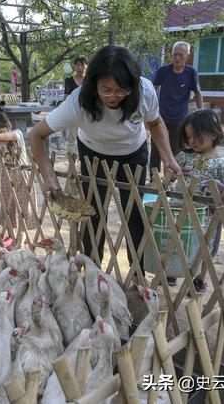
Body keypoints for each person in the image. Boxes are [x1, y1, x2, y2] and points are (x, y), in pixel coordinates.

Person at [29, 45, 181, 273]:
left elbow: (155, 123)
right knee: (93, 212)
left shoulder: (145, 91)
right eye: (106, 90)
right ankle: (92, 271)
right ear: (94, 83)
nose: (113, 97)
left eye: (121, 90)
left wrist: (168, 157)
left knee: (136, 213)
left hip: (133, 152)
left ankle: (137, 273)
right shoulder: (78, 101)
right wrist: (48, 176)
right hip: (93, 153)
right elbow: (36, 135)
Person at [175, 109, 224, 293]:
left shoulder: (220, 163)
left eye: (197, 136)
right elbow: (171, 171)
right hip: (179, 210)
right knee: (178, 241)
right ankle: (171, 270)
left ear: (213, 133)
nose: (192, 141)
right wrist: (175, 171)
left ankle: (200, 278)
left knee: (205, 247)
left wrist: (222, 197)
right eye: (188, 137)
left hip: (207, 216)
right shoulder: (185, 156)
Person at [151, 41, 203, 174]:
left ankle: (172, 178)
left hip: (179, 118)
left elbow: (197, 93)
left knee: (175, 150)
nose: (177, 58)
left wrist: (200, 111)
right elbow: (153, 89)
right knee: (157, 147)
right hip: (160, 117)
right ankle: (153, 178)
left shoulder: (191, 72)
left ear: (187, 56)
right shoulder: (163, 71)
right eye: (175, 55)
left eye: (181, 55)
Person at [0, 111, 38, 229]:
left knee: (23, 208)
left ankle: (23, 235)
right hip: (5, 178)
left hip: (22, 178)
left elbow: (13, 135)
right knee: (8, 208)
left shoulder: (17, 135)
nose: (0, 137)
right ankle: (10, 234)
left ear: (9, 127)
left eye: (2, 132)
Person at [62, 55, 89, 152]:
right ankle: (71, 165)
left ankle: (85, 164)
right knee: (71, 141)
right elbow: (66, 98)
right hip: (72, 114)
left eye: (82, 65)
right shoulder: (69, 81)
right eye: (77, 65)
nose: (80, 68)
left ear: (87, 67)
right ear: (74, 66)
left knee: (87, 140)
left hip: (87, 115)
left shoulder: (90, 81)